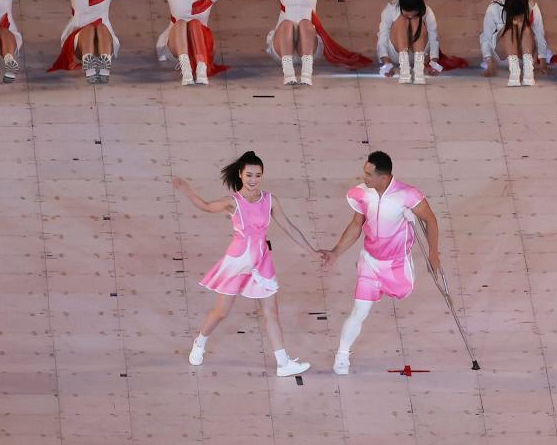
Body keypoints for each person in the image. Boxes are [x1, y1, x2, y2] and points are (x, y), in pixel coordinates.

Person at [173, 151, 317, 377]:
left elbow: (289, 227)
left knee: (271, 312)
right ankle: (200, 342)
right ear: (240, 175)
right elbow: (206, 205)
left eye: (257, 175)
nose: (253, 180)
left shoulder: (270, 200)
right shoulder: (233, 202)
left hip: (261, 262)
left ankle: (283, 363)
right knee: (221, 312)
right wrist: (185, 189)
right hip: (238, 262)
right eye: (249, 175)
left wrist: (312, 250)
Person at [321, 151, 441, 375]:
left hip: (396, 264)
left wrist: (434, 253)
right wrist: (336, 252)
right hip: (370, 262)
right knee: (359, 311)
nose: (364, 177)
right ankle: (342, 355)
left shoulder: (408, 195)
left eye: (369, 174)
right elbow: (357, 224)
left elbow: (431, 220)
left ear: (384, 178)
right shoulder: (361, 193)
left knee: (404, 291)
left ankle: (398, 280)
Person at [480, 0, 552, 86]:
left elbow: (540, 35)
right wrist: (489, 63)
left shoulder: (532, 7)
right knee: (510, 28)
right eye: (515, 17)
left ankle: (528, 72)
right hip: (502, 56)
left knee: (524, 27)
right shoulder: (493, 8)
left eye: (521, 17)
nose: (518, 20)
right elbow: (486, 37)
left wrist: (543, 62)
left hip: (526, 54)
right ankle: (514, 71)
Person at [376, 0, 439, 84]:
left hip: (420, 54)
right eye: (407, 13)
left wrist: (434, 62)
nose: (410, 16)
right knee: (402, 19)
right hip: (396, 54)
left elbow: (433, 36)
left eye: (413, 13)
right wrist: (385, 62)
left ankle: (419, 70)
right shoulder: (390, 8)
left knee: (415, 20)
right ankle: (404, 70)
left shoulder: (427, 11)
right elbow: (382, 36)